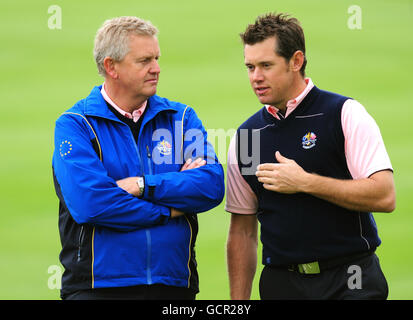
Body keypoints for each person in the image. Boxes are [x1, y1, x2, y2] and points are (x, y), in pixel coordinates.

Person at [52, 16, 225, 300]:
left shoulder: (180, 118)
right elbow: (91, 204)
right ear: (111, 66)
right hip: (97, 288)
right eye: (144, 61)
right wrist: (167, 211)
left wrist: (142, 185)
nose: (156, 69)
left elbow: (211, 185)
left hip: (172, 285)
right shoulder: (75, 125)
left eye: (156, 58)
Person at [226, 13, 395, 300]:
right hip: (282, 284)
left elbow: (384, 196)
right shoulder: (246, 137)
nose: (256, 77)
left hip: (351, 279)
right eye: (250, 67)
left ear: (296, 61)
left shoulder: (344, 113)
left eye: (266, 65)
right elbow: (242, 231)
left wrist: (306, 182)